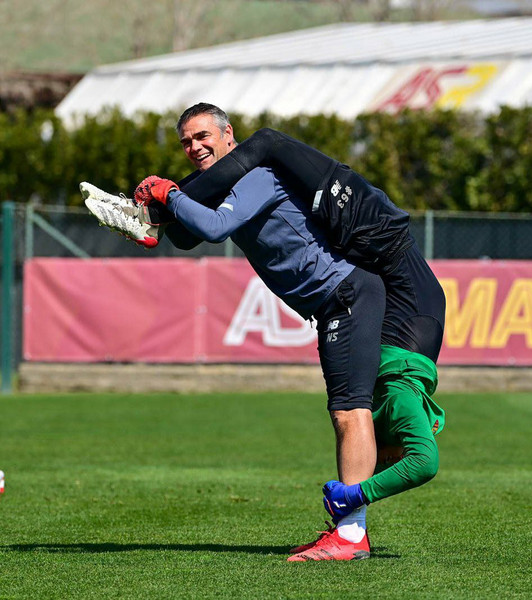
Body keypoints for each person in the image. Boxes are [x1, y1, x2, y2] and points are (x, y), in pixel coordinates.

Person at [83, 103, 447, 561]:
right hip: (339, 299)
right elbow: (190, 233)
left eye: (202, 136)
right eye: (186, 142)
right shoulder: (230, 183)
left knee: (349, 413)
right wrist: (152, 218)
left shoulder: (258, 174)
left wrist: (168, 193)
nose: (194, 147)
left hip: (347, 295)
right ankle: (351, 529)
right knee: (351, 413)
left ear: (228, 134)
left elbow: (215, 228)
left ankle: (351, 537)